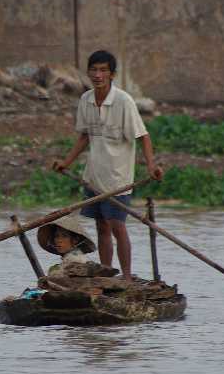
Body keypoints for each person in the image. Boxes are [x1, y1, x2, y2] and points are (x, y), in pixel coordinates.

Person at [52, 50, 163, 280]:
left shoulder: (123, 101)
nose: (98, 75)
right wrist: (66, 162)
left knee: (117, 226)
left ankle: (126, 278)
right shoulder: (86, 100)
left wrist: (151, 166)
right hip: (94, 176)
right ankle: (106, 274)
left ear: (112, 74)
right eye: (93, 70)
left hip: (118, 179)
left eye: (103, 70)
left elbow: (143, 136)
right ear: (88, 72)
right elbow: (85, 136)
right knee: (101, 226)